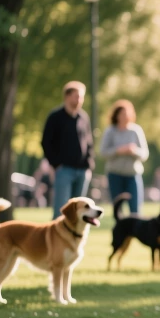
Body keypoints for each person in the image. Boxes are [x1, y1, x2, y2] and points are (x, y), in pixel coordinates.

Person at [41, 81, 94, 219]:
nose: (79, 100)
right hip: (64, 170)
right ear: (67, 96)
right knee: (61, 210)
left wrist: (89, 164)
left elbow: (89, 142)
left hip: (82, 171)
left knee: (79, 212)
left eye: (81, 97)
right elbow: (46, 142)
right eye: (76, 96)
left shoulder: (83, 117)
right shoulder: (55, 117)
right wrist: (56, 164)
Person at [100, 99, 149, 215]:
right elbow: (103, 152)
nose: (125, 116)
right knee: (118, 210)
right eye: (122, 114)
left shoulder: (136, 130)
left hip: (132, 175)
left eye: (128, 114)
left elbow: (144, 154)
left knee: (135, 209)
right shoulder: (110, 131)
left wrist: (133, 151)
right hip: (115, 175)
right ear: (116, 115)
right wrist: (118, 151)